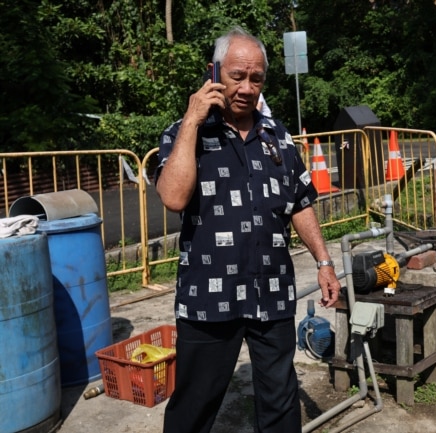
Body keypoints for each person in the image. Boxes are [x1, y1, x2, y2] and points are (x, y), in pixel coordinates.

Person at [154, 26, 341, 433]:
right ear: (215, 73)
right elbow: (173, 197)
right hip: (209, 300)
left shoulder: (279, 138)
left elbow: (300, 202)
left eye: (256, 78)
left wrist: (324, 262)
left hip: (271, 296)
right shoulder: (185, 133)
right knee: (194, 408)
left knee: (280, 402)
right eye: (237, 75)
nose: (246, 87)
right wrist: (192, 119)